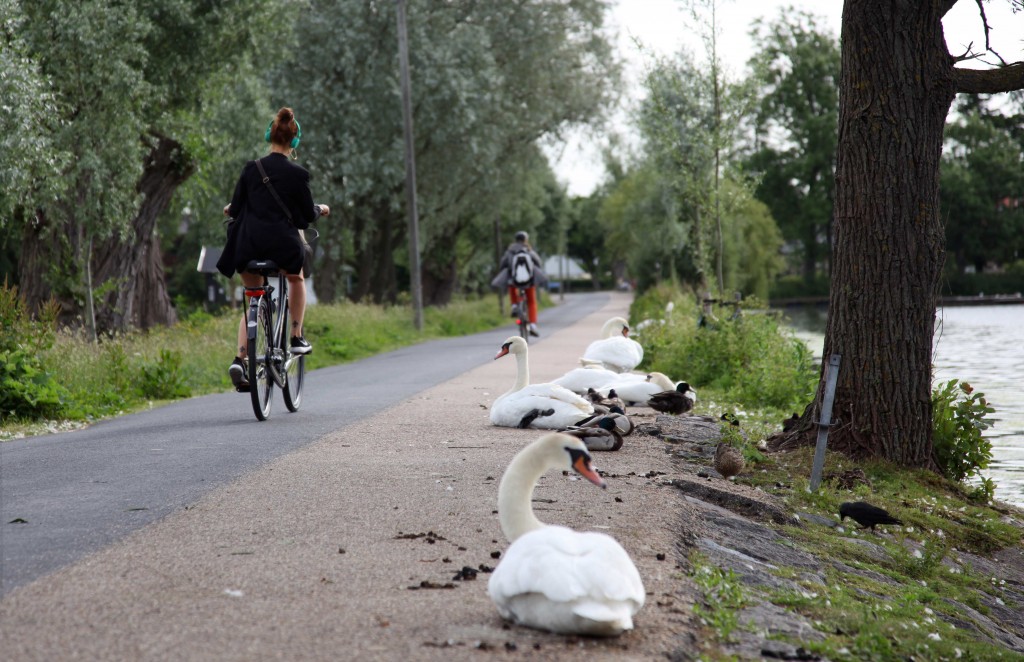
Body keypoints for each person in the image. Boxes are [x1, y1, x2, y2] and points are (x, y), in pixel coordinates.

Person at [216, 107, 330, 392]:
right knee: (296, 278)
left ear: (269, 136)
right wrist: (321, 209)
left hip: (247, 244)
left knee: (253, 296)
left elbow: (237, 208)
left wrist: (231, 208)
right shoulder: (298, 174)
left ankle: (240, 359)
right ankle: (295, 336)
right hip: (282, 244)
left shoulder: (251, 168)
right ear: (294, 143)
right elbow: (304, 217)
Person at [492, 230, 546, 336]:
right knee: (531, 301)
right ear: (525, 239)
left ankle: (514, 306)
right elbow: (538, 262)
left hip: (514, 281)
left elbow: (503, 264)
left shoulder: (510, 250)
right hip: (529, 281)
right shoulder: (529, 250)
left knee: (511, 284)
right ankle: (533, 325)